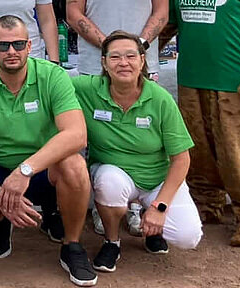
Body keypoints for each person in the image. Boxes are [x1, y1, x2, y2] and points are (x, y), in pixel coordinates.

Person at [0, 16, 97, 287]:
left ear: (30, 46)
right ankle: (1, 219)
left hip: (41, 168)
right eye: (4, 46)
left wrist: (25, 170)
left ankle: (72, 246)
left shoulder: (52, 75)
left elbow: (77, 135)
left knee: (75, 166)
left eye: (18, 44)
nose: (12, 52)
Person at [72, 31, 203, 273]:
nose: (124, 63)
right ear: (103, 62)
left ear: (143, 61)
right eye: (115, 57)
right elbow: (46, 76)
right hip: (115, 173)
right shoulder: (88, 89)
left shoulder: (160, 99)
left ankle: (152, 226)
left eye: (131, 56)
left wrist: (159, 207)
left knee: (188, 237)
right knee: (108, 181)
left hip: (157, 180)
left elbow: (181, 159)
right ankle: (112, 241)